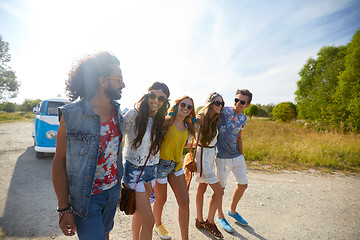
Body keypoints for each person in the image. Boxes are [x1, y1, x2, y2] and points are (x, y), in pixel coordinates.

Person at [52, 51, 125, 240]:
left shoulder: (119, 113)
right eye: (119, 79)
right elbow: (59, 161)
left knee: (105, 233)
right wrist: (63, 208)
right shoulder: (71, 114)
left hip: (112, 193)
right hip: (86, 198)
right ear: (103, 80)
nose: (123, 84)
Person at [122, 82, 170, 240]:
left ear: (165, 102)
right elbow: (116, 137)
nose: (156, 100)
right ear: (147, 95)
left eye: (161, 98)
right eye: (152, 96)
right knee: (149, 220)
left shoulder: (160, 119)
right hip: (134, 171)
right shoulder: (133, 115)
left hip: (151, 172)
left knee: (139, 215)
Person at [153, 96, 196, 240]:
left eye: (189, 107)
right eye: (183, 104)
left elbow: (179, 143)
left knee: (184, 202)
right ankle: (157, 225)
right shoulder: (166, 122)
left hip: (176, 166)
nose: (186, 108)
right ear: (177, 105)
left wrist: (193, 145)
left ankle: (185, 238)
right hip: (161, 166)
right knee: (161, 199)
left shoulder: (187, 127)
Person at [214, 89, 252, 233]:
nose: (238, 103)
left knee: (243, 184)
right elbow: (208, 111)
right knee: (220, 189)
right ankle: (220, 215)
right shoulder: (224, 111)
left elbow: (239, 137)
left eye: (242, 102)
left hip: (237, 156)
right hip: (222, 157)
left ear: (247, 104)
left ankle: (232, 210)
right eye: (236, 100)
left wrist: (242, 156)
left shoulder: (244, 119)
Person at [194, 92, 225, 239]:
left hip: (210, 157)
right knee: (219, 191)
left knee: (202, 187)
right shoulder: (201, 118)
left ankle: (199, 220)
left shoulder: (216, 119)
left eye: (221, 103)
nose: (220, 106)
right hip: (202, 157)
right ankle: (210, 222)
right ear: (210, 104)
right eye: (217, 103)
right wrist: (197, 115)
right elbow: (188, 122)